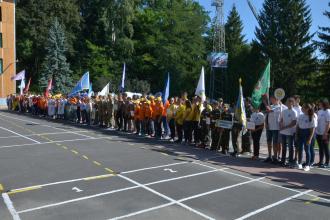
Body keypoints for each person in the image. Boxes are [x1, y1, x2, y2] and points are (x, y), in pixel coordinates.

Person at [264, 95, 287, 163]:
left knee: (276, 143)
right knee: (269, 142)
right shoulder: (271, 106)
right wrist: (266, 123)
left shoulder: (283, 107)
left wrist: (265, 102)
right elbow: (267, 115)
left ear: (276, 99)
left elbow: (270, 111)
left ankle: (276, 157)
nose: (270, 100)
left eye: (271, 99)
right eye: (270, 99)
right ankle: (270, 156)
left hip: (276, 128)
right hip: (269, 127)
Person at [296, 104, 317, 171]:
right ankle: (299, 163)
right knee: (300, 149)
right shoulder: (301, 116)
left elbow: (312, 129)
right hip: (300, 133)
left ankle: (307, 165)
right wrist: (296, 134)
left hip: (307, 133)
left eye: (303, 107)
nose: (301, 108)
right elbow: (297, 126)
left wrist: (310, 139)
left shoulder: (312, 117)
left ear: (307, 109)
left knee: (307, 150)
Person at [279, 98, 297, 167]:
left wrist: (285, 127)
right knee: (283, 147)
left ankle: (290, 161)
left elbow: (294, 122)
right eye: (287, 102)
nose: (287, 103)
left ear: (292, 103)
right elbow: (281, 119)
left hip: (290, 132)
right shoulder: (284, 111)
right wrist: (281, 125)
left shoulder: (294, 111)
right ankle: (283, 161)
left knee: (290, 147)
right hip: (283, 132)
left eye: (289, 102)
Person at [315, 98, 330, 168]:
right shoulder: (319, 111)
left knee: (326, 148)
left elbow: (328, 123)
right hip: (318, 132)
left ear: (324, 103)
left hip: (325, 133)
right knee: (321, 148)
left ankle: (327, 162)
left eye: (320, 103)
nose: (319, 104)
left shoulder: (327, 111)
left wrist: (325, 133)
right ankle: (320, 162)